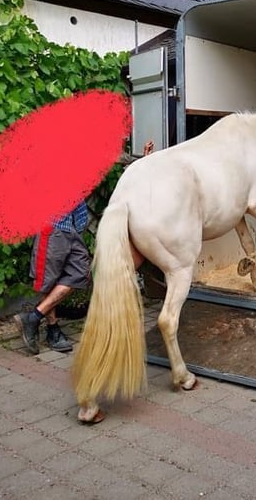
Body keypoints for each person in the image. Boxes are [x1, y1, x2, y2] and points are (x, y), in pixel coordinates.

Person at [14, 140, 154, 355]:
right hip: (52, 227)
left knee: (79, 274)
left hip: (73, 229)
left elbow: (113, 158)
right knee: (48, 282)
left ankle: (33, 317)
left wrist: (144, 160)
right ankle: (52, 329)